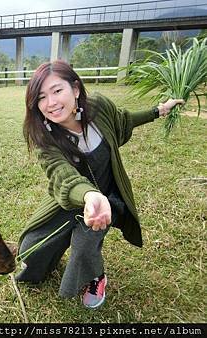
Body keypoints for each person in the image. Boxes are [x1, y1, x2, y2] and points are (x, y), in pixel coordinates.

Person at [16, 60, 184, 309]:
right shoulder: (44, 137)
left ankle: (96, 276)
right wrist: (88, 196)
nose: (50, 103)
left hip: (106, 199)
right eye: (41, 97)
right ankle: (46, 260)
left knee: (84, 247)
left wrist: (158, 111)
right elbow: (62, 176)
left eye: (57, 91)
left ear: (75, 89)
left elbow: (123, 120)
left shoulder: (99, 107)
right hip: (69, 198)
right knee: (31, 249)